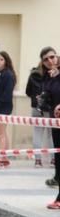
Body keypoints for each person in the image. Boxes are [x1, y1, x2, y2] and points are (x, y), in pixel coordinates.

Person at [26, 48, 53, 168]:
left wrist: (35, 98)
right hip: (50, 108)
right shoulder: (53, 74)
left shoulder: (33, 74)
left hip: (36, 108)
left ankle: (38, 161)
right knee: (51, 135)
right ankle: (53, 160)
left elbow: (27, 91)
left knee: (37, 134)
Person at [40, 52, 60, 207]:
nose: (50, 61)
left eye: (52, 57)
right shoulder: (47, 77)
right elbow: (48, 97)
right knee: (58, 154)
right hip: (56, 122)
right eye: (46, 59)